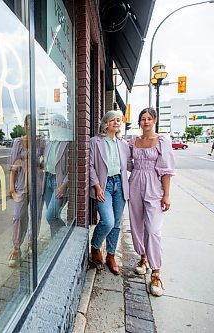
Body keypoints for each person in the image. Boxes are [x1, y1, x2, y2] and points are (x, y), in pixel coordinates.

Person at [128, 107, 175, 297]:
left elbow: (166, 171)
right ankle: (143, 257)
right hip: (135, 184)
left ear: (154, 120)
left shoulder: (162, 141)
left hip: (154, 187)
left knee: (153, 229)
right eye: (142, 119)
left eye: (149, 118)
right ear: (139, 122)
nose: (145, 122)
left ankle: (156, 272)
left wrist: (166, 195)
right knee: (137, 225)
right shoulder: (134, 141)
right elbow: (128, 163)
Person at [89, 110, 130, 275]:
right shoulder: (95, 141)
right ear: (105, 123)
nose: (116, 123)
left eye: (118, 120)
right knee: (108, 221)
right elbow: (90, 165)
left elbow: (129, 164)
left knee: (117, 222)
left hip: (120, 184)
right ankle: (95, 246)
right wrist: (97, 186)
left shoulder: (122, 143)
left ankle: (111, 256)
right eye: (113, 120)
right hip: (104, 185)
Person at [8, 115, 45, 267]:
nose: (31, 126)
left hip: (37, 185)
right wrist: (11, 188)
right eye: (29, 124)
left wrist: (41, 162)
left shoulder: (41, 142)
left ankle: (31, 243)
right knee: (18, 216)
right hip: (20, 186)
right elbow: (12, 167)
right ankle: (16, 248)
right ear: (25, 125)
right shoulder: (18, 142)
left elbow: (43, 163)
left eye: (33, 124)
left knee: (35, 216)